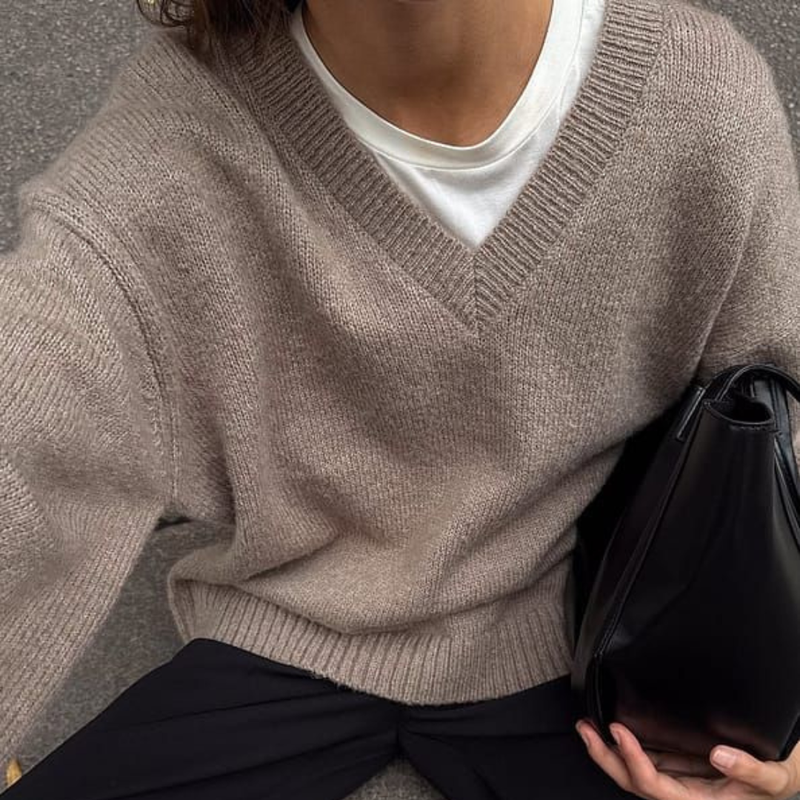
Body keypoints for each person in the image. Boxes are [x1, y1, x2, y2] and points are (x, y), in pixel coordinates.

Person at [1, 0, 799, 797]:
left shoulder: (697, 95)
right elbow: (34, 394)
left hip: (593, 639)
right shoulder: (176, 125)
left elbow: (783, 423)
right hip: (286, 631)